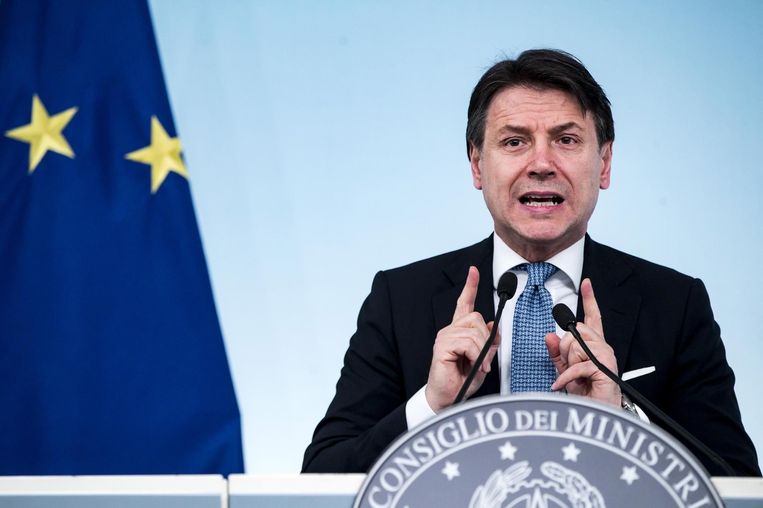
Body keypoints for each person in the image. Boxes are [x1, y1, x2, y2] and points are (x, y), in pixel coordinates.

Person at [302, 49, 760, 477]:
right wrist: (432, 404)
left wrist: (620, 418)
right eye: (515, 141)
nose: (541, 163)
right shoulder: (400, 299)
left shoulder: (676, 304)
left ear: (604, 163)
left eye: (566, 139)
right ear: (477, 165)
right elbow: (323, 477)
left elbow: (737, 482)